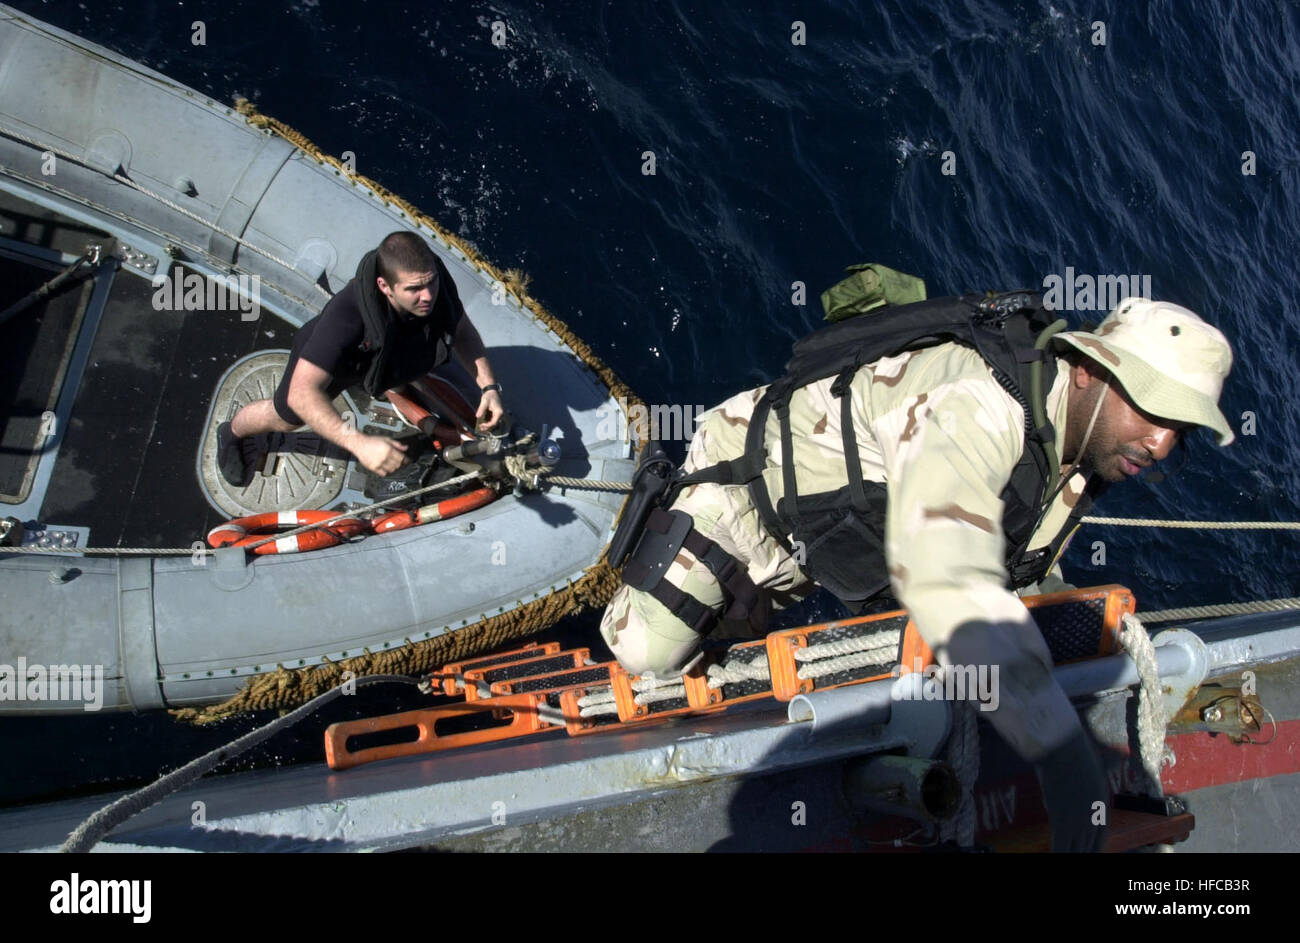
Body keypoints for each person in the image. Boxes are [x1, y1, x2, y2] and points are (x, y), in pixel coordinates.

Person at [600, 294, 1234, 851]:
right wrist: (1065, 756)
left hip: (835, 545)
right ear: (1094, 371)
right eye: (1151, 411)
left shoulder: (1082, 438)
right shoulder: (976, 407)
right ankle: (661, 517)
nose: (1160, 444)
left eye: (1178, 428)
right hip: (745, 502)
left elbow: (1017, 556)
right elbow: (944, 577)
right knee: (643, 655)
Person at [217, 231, 505, 485]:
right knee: (285, 418)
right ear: (384, 286)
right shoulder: (347, 315)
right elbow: (301, 394)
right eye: (414, 290)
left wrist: (489, 387)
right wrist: (359, 443)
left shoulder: (433, 285)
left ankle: (391, 385)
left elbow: (461, 329)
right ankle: (230, 433)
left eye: (430, 284)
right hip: (343, 364)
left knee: (404, 374)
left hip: (390, 353)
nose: (427, 296)